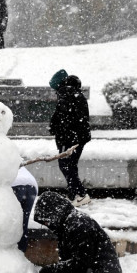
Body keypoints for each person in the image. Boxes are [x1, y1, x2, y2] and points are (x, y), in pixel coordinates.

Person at [48, 69, 92, 206]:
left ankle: (80, 195)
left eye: (56, 89)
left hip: (69, 138)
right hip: (78, 137)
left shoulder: (67, 95)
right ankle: (75, 195)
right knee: (70, 165)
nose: (56, 93)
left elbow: (63, 118)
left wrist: (55, 128)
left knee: (66, 165)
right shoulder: (75, 94)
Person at [12, 166, 38, 252]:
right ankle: (21, 252)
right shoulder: (13, 158)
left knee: (10, 223)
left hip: (14, 183)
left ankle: (12, 254)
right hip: (31, 184)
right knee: (23, 222)